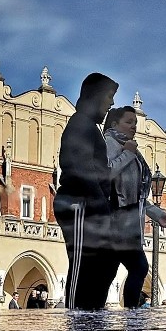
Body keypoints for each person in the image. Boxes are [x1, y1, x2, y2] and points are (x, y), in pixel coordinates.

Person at [54, 72, 119, 310]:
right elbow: (79, 168)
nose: (111, 103)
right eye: (109, 97)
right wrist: (101, 205)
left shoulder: (89, 127)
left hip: (91, 205)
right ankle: (76, 314)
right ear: (96, 96)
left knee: (107, 260)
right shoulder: (80, 123)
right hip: (78, 203)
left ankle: (92, 310)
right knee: (82, 263)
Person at [104, 106, 166, 308]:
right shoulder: (110, 143)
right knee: (138, 267)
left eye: (135, 123)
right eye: (129, 122)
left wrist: (157, 214)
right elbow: (106, 174)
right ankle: (130, 316)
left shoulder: (129, 148)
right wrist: (128, 154)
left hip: (127, 219)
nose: (134, 127)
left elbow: (137, 196)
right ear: (114, 124)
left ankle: (94, 315)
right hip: (117, 219)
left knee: (110, 272)